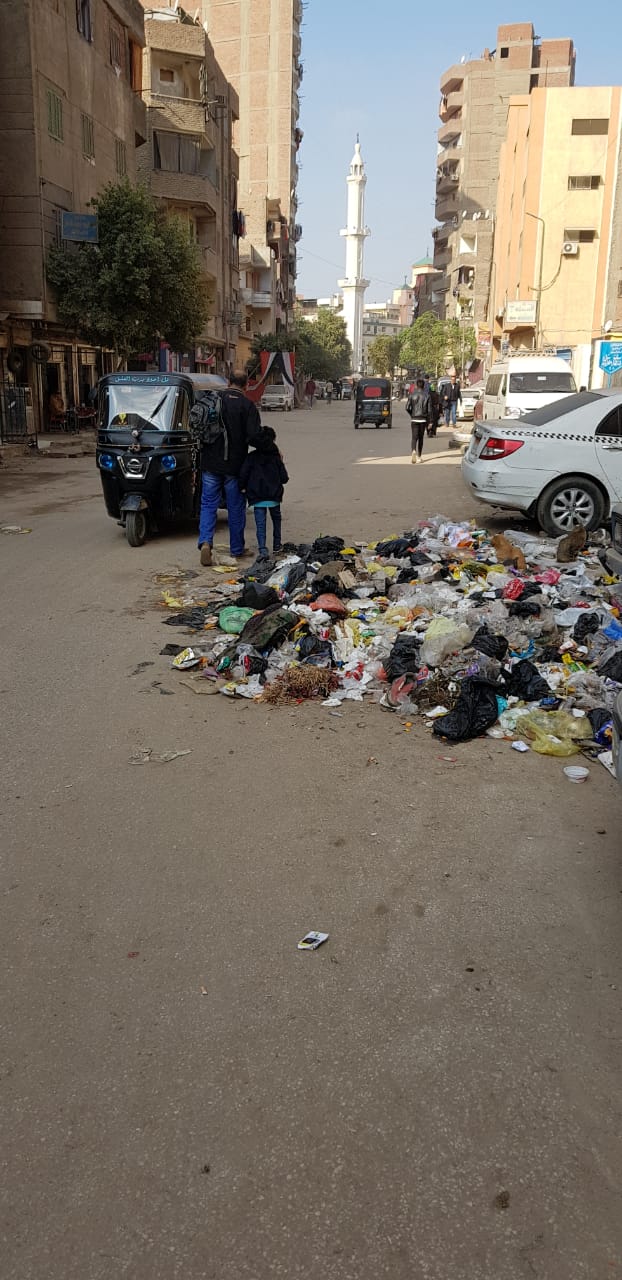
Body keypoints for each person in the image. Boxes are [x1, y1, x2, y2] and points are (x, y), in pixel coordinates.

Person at [198, 371, 262, 566]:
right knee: (235, 507)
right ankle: (236, 549)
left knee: (208, 504)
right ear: (246, 385)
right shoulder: (247, 406)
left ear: (228, 382)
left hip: (210, 463)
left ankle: (206, 542)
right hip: (235, 466)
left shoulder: (213, 400)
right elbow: (254, 437)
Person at [239, 426, 289, 558]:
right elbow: (284, 478)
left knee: (260, 524)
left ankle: (263, 550)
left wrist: (242, 487)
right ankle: (277, 545)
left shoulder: (251, 457)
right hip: (274, 497)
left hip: (257, 497)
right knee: (276, 520)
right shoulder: (276, 458)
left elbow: (243, 475)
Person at [406, 378, 431, 464]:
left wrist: (412, 414)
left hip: (414, 419)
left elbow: (407, 407)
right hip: (423, 419)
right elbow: (429, 410)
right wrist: (430, 421)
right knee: (421, 438)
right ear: (424, 386)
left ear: (416, 385)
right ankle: (419, 457)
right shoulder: (427, 395)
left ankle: (413, 451)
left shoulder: (412, 395)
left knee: (414, 437)